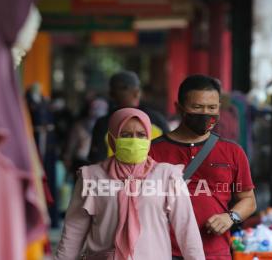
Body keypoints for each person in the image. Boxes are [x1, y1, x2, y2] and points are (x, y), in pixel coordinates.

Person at [55, 108, 205, 260]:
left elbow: (187, 229)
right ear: (112, 139)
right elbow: (73, 231)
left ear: (149, 139)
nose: (134, 140)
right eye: (125, 135)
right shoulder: (91, 177)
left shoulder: (167, 175)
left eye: (141, 135)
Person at [149, 75, 257, 260]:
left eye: (212, 108)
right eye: (197, 107)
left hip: (214, 252)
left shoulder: (233, 152)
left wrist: (230, 217)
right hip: (163, 251)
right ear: (179, 108)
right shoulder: (152, 151)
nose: (205, 113)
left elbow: (249, 200)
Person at [88, 70, 169, 163]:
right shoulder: (104, 124)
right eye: (125, 88)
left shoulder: (157, 120)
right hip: (114, 176)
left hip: (148, 176)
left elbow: (167, 154)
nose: (135, 92)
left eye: (141, 135)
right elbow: (97, 160)